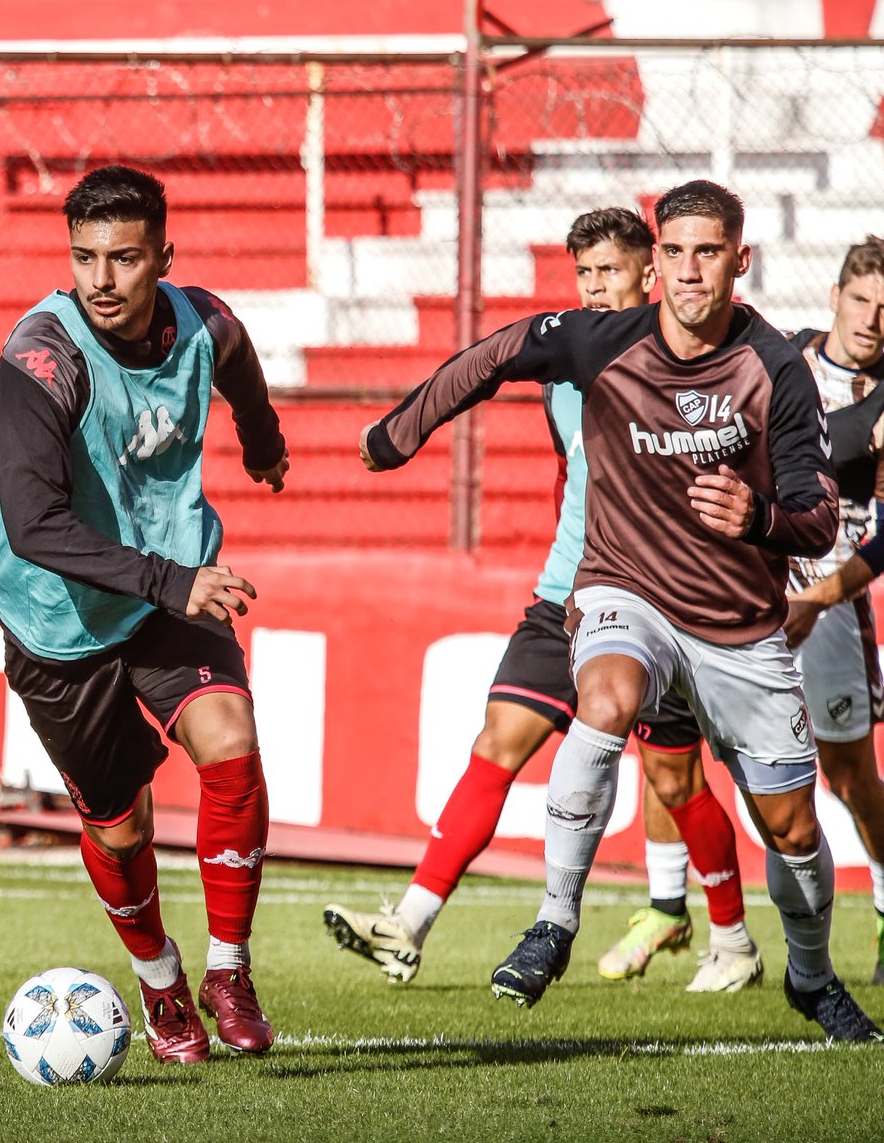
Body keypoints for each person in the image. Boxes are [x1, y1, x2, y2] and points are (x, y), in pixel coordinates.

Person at [354, 179, 881, 1042]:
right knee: (603, 700)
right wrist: (397, 433)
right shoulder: (600, 339)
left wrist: (760, 520)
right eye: (672, 252)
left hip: (736, 623)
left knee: (790, 828)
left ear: (739, 260)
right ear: (657, 261)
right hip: (622, 588)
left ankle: (811, 976)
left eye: (706, 252)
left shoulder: (776, 366)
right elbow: (497, 354)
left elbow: (819, 516)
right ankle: (554, 925)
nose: (685, 271)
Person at [323, 207, 760, 994]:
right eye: (583, 274)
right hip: (570, 592)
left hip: (669, 607)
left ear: (650, 275)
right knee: (499, 741)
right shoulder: (563, 364)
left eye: (610, 272)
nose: (595, 289)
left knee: (675, 783)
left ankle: (731, 939)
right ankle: (409, 924)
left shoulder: (703, 363)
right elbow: (553, 451)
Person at [0, 165, 288, 1063]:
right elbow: (34, 525)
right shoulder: (43, 358)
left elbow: (236, 360)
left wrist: (262, 434)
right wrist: (169, 580)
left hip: (170, 594)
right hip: (61, 624)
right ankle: (161, 987)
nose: (102, 279)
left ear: (164, 255)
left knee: (230, 740)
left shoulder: (204, 320)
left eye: (124, 258)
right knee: (120, 830)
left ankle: (228, 973)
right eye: (84, 258)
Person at [784, 236, 884, 984]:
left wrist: (821, 598)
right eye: (861, 299)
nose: (873, 319)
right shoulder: (783, 357)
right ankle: (732, 933)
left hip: (832, 597)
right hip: (757, 576)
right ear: (835, 296)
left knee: (847, 776)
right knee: (760, 758)